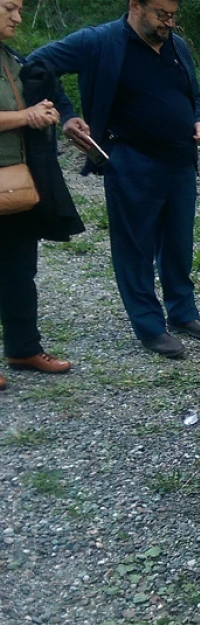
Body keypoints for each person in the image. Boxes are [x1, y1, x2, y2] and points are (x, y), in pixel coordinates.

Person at [28, 0, 200, 359]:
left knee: (179, 244)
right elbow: (36, 64)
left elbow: (195, 95)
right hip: (130, 160)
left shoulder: (176, 45)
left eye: (174, 15)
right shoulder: (98, 42)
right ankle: (149, 325)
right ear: (136, 5)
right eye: (162, 14)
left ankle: (183, 313)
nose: (170, 22)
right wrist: (66, 116)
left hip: (179, 162)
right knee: (135, 247)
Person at [0, 0, 85, 391]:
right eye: (9, 8)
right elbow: (20, 114)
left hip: (16, 184)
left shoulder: (11, 57)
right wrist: (25, 116)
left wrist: (50, 111)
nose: (17, 18)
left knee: (20, 269)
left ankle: (23, 348)